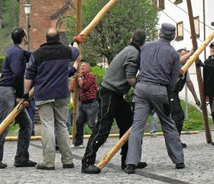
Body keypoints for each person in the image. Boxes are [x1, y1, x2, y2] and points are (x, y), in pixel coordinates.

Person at [82, 30, 148, 174]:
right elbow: (130, 78)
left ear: (131, 39)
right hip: (109, 93)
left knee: (128, 124)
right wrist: (142, 90)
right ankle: (87, 162)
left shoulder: (128, 49)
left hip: (115, 94)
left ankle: (128, 161)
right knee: (102, 128)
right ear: (143, 43)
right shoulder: (133, 53)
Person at [124, 23, 184, 174]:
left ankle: (131, 162)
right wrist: (168, 93)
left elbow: (136, 66)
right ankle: (179, 160)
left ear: (160, 33)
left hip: (142, 87)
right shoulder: (174, 54)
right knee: (168, 124)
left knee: (137, 126)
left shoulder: (145, 47)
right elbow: (173, 79)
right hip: (160, 89)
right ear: (173, 36)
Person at [24, 28, 80, 170]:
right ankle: (67, 160)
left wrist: (26, 95)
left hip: (43, 94)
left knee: (47, 125)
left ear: (46, 39)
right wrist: (75, 41)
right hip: (61, 93)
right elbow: (76, 52)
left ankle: (48, 162)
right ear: (59, 39)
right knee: (61, 126)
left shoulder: (37, 54)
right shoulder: (65, 51)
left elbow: (28, 75)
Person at [0, 28, 36, 169]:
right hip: (7, 91)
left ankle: (21, 158)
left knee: (26, 124)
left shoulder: (17, 51)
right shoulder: (15, 53)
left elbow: (33, 56)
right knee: (3, 126)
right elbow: (17, 75)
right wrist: (20, 96)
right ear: (24, 38)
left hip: (10, 91)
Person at [170, 48, 201, 148]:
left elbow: (189, 83)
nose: (187, 59)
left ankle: (174, 140)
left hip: (174, 94)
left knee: (175, 117)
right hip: (168, 93)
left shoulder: (185, 68)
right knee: (178, 116)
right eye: (185, 56)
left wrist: (196, 98)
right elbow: (181, 60)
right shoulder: (174, 63)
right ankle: (174, 141)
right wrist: (192, 52)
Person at [72, 61, 99, 148]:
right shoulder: (81, 77)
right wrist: (75, 79)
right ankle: (78, 143)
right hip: (83, 103)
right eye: (81, 66)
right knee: (79, 123)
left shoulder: (90, 76)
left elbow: (84, 86)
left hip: (91, 104)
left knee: (91, 124)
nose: (82, 67)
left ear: (88, 68)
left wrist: (79, 78)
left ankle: (99, 139)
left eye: (84, 66)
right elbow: (72, 88)